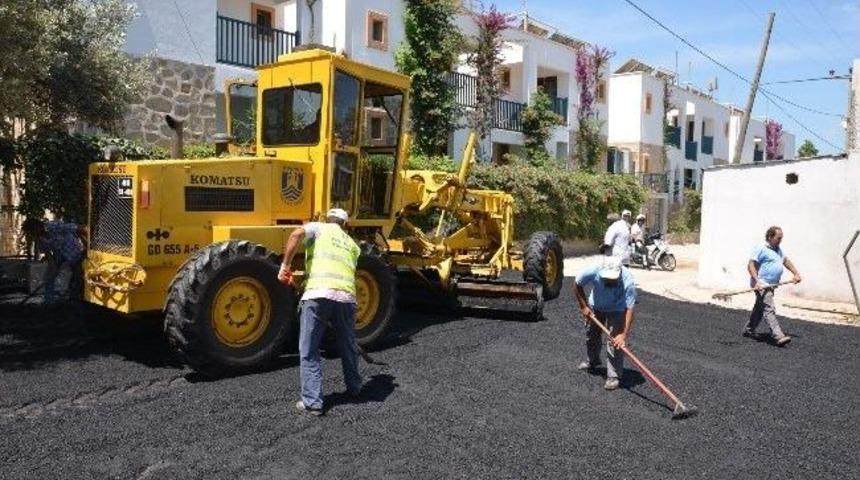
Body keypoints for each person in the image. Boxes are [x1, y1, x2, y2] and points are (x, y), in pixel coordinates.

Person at [278, 208, 363, 416]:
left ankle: (313, 401)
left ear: (327, 219)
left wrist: (285, 266)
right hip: (346, 298)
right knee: (348, 344)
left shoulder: (319, 228)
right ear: (345, 225)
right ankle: (355, 388)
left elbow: (296, 234)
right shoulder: (353, 245)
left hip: (317, 295)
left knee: (309, 349)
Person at [573, 255, 637, 391]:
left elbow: (630, 309)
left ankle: (614, 375)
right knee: (591, 335)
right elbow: (577, 284)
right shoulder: (593, 270)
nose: (609, 280)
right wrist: (583, 306)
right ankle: (593, 360)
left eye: (612, 278)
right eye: (606, 278)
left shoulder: (628, 280)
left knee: (615, 342)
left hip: (617, 309)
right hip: (596, 307)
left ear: (619, 273)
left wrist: (623, 334)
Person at [744, 226, 801, 346]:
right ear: (770, 237)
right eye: (778, 238)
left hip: (771, 285)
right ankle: (778, 335)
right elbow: (751, 265)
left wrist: (796, 273)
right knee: (769, 309)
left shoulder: (778, 250)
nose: (780, 240)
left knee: (759, 309)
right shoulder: (760, 248)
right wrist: (757, 281)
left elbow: (785, 261)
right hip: (761, 285)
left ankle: (749, 330)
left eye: (781, 238)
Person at [24, 218, 85, 305]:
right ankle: (49, 301)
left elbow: (76, 228)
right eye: (31, 232)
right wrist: (53, 267)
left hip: (73, 251)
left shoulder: (52, 226)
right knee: (49, 277)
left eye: (32, 230)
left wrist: (87, 244)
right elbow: (48, 254)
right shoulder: (39, 239)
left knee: (77, 275)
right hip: (58, 254)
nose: (33, 233)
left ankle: (75, 299)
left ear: (38, 226)